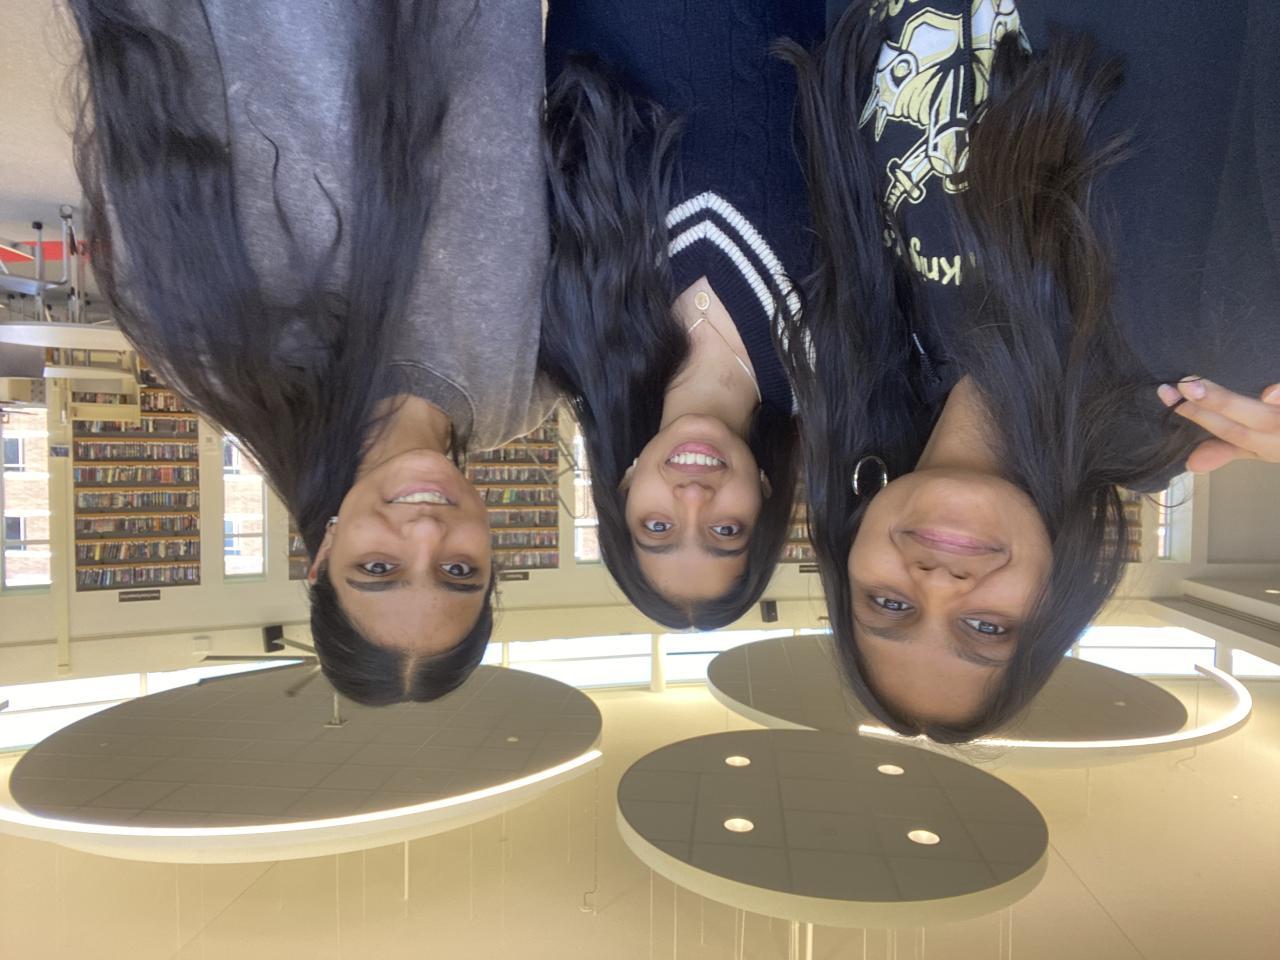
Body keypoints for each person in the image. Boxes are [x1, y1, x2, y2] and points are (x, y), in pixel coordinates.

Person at [781, 0, 1280, 740]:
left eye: (889, 606)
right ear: (1054, 604)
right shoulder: (1205, 363)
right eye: (986, 627)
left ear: (847, 552)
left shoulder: (857, 328)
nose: (939, 586)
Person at [69, 0, 555, 703]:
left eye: (379, 568)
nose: (425, 533)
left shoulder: (216, 353)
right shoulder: (531, 384)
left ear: (324, 553)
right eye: (458, 572)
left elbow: (160, 61)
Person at [540, 0, 824, 628]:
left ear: (624, 487)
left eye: (657, 526)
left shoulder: (575, 335)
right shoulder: (833, 351)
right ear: (765, 497)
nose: (693, 498)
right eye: (726, 529)